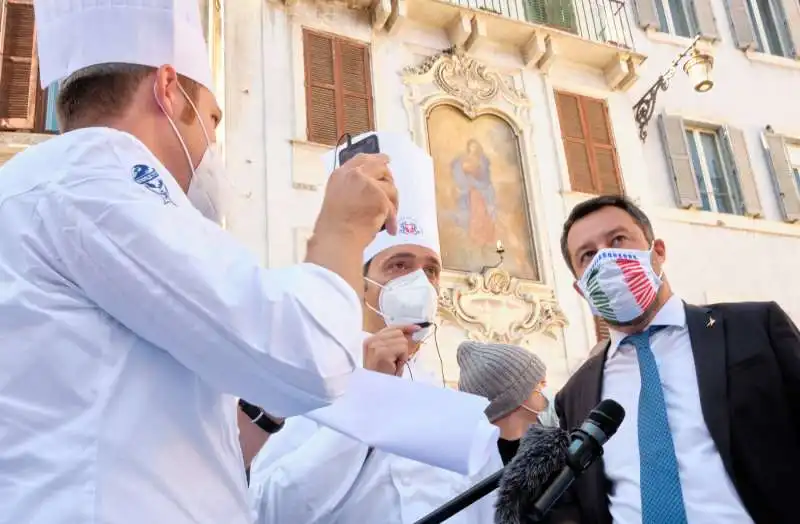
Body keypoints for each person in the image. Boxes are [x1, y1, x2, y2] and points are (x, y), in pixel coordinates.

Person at [0, 2, 398, 524]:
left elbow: (182, 448)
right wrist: (343, 228)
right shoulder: (97, 174)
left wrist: (263, 405)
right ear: (168, 90)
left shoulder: (44, 188)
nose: (213, 143)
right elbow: (311, 358)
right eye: (212, 118)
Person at [248, 133, 502, 524]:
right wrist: (367, 397)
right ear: (364, 283)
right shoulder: (308, 382)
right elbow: (273, 511)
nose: (420, 282)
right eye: (399, 265)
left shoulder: (455, 409)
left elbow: (488, 513)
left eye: (430, 270)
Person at [549, 195, 800, 524]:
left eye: (618, 240)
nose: (606, 259)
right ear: (581, 289)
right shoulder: (574, 395)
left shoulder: (755, 327)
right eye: (588, 255)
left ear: (658, 252)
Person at [457, 340, 556, 465]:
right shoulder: (483, 470)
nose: (545, 383)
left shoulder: (554, 434)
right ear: (512, 399)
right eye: (538, 381)